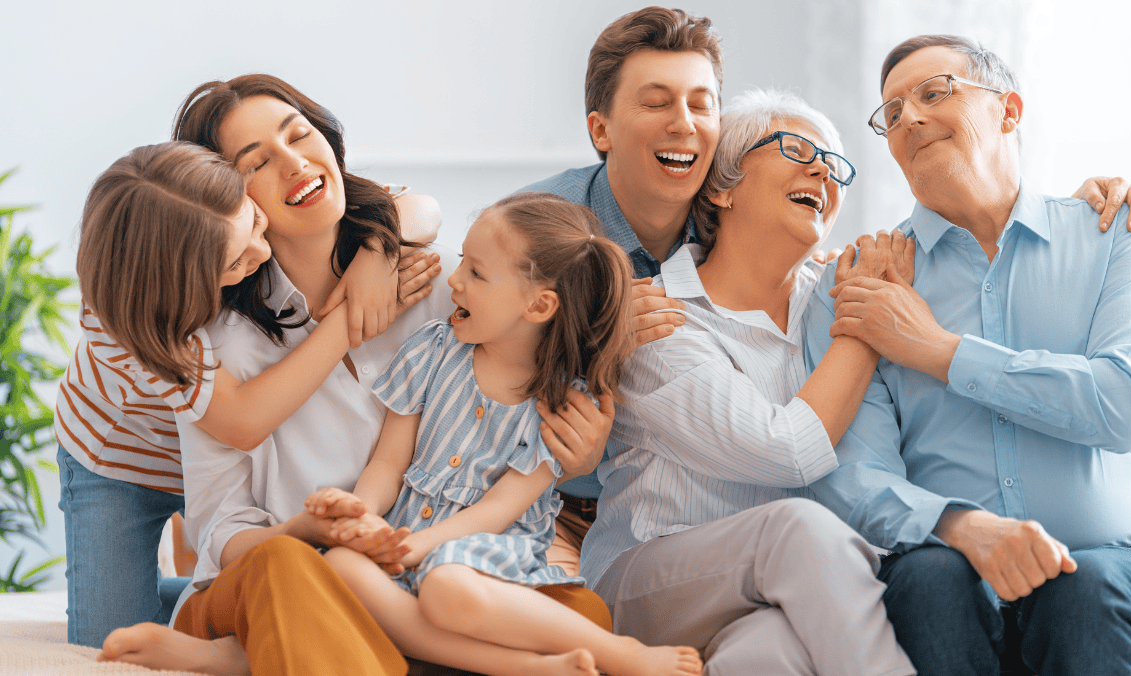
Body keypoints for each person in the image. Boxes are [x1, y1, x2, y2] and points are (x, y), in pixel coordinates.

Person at [528, 6, 1131, 579]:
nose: (685, 127)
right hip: (571, 509)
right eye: (656, 102)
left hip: (780, 565)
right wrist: (866, 322)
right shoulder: (550, 238)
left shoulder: (830, 284)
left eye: (701, 105)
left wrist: (1080, 209)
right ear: (602, 128)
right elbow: (474, 350)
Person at [98, 75, 609, 675]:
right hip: (295, 567)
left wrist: (578, 452)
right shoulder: (211, 347)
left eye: (300, 134)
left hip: (427, 571)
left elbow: (539, 399)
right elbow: (222, 530)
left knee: (582, 614)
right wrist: (309, 530)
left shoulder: (450, 282)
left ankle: (258, 656)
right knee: (295, 570)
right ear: (220, 202)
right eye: (257, 163)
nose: (295, 164)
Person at [805, 35, 1131, 676]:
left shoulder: (1114, 234)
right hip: (944, 568)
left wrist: (938, 351)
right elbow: (850, 473)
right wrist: (961, 527)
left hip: (1114, 567)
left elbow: (1126, 407)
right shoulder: (860, 284)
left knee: (1085, 592)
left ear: (1008, 110)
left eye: (934, 92)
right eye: (892, 113)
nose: (910, 118)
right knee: (926, 583)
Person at [580, 87, 917, 676]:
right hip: (648, 577)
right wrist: (866, 322)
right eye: (795, 148)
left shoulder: (832, 297)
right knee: (798, 530)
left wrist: (1087, 210)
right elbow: (787, 451)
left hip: (780, 586)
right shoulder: (659, 317)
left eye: (835, 165)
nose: (822, 170)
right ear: (721, 187)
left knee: (766, 656)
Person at [59, 140, 441, 648]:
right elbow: (240, 421)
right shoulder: (138, 320)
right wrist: (358, 309)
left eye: (256, 226)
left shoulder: (191, 197)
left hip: (214, 455)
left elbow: (416, 206)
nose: (263, 254)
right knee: (109, 640)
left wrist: (376, 250)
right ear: (180, 280)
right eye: (237, 260)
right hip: (126, 461)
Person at [308, 192, 703, 676]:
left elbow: (497, 511)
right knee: (338, 567)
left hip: (483, 554)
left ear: (538, 305)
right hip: (403, 540)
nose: (453, 280)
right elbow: (388, 464)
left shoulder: (560, 406)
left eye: (475, 272)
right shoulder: (432, 351)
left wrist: (416, 547)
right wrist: (363, 518)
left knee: (444, 587)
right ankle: (532, 668)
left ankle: (623, 653)